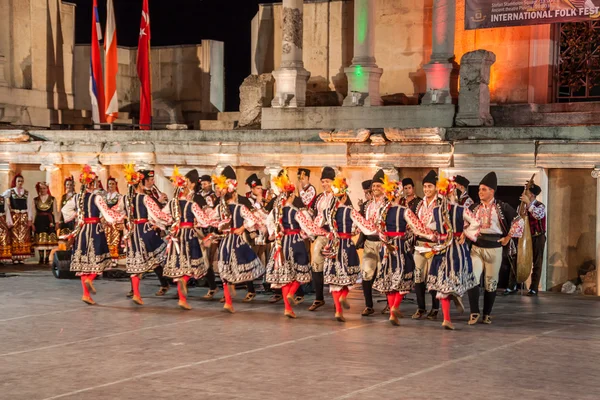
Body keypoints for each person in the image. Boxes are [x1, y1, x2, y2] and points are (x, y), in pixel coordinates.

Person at [373, 173, 436, 326]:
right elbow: (417, 227)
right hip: (400, 246)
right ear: (398, 193)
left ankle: (392, 309)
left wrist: (385, 241)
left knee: (389, 277)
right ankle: (394, 307)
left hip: (387, 247)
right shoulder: (404, 210)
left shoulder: (382, 210)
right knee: (404, 277)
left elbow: (377, 228)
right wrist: (432, 235)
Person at [315, 175, 377, 322]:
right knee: (350, 277)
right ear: (344, 197)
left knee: (334, 281)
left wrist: (328, 233)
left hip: (332, 246)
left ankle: (338, 311)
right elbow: (365, 227)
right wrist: (378, 231)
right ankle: (343, 296)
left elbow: (315, 227)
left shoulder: (326, 212)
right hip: (346, 245)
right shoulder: (350, 211)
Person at [265, 171, 326, 318]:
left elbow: (269, 224)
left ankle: (287, 308)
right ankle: (292, 293)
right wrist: (323, 233)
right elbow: (308, 228)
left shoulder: (276, 211)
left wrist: (273, 235)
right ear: (291, 196)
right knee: (302, 272)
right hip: (295, 242)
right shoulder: (296, 212)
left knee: (286, 277)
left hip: (282, 243)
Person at [61, 165, 124, 305]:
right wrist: (120, 217)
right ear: (92, 183)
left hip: (83, 230)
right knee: (99, 258)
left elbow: (65, 209)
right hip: (95, 229)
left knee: (84, 263)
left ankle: (86, 295)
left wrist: (76, 214)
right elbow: (107, 214)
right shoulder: (97, 197)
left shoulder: (77, 197)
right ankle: (91, 279)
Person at [425, 175, 480, 330]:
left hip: (442, 248)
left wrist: (437, 235)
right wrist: (465, 232)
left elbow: (429, 225)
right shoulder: (461, 209)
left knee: (443, 282)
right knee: (457, 277)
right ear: (453, 193)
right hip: (457, 248)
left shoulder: (435, 210)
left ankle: (447, 318)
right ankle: (455, 296)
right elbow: (477, 221)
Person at [468, 172, 524, 325]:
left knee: (490, 282)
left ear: (492, 191)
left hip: (494, 248)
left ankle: (487, 313)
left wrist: (508, 237)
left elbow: (519, 221)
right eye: (479, 189)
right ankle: (474, 312)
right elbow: (465, 224)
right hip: (477, 247)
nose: (480, 192)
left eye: (484, 189)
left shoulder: (502, 207)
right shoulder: (474, 208)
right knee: (472, 277)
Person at [213, 166, 266, 313]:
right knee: (243, 262)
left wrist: (219, 228)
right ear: (234, 194)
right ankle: (241, 289)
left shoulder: (220, 208)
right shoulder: (240, 207)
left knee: (226, 267)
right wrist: (243, 227)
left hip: (225, 241)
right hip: (236, 240)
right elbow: (254, 220)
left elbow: (211, 221)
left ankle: (229, 299)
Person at [162, 167, 217, 310]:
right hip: (192, 233)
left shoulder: (176, 201)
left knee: (180, 265)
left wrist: (172, 222)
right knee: (197, 263)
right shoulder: (192, 202)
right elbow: (205, 218)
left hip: (177, 234)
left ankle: (185, 293)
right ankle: (203, 286)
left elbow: (162, 215)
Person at [122, 165, 172, 305]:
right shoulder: (145, 198)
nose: (152, 182)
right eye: (149, 179)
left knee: (137, 263)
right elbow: (158, 214)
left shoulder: (126, 198)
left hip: (133, 233)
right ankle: (174, 282)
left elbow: (118, 212)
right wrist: (173, 220)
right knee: (162, 255)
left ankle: (137, 293)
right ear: (141, 181)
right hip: (145, 231)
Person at [505, 183, 546, 296]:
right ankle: (512, 286)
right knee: (516, 259)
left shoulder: (540, 206)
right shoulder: (521, 206)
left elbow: (538, 215)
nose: (523, 193)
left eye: (526, 192)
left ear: (531, 195)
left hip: (538, 236)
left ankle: (533, 288)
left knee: (537, 262)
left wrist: (528, 203)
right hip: (523, 237)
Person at [412, 170, 442, 320]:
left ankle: (435, 308)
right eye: (425, 186)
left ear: (436, 187)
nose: (427, 189)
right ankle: (420, 307)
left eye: (430, 186)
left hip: (433, 245)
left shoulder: (441, 203)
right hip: (419, 244)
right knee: (418, 276)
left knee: (432, 277)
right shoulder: (419, 204)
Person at [139, 169, 171, 296]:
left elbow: (158, 210)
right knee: (141, 257)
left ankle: (165, 283)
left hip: (155, 227)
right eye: (151, 180)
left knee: (156, 258)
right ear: (144, 181)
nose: (153, 182)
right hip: (145, 226)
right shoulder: (143, 194)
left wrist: (162, 201)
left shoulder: (151, 192)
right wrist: (159, 200)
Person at [359, 172, 386, 316]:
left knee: (385, 273)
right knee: (366, 273)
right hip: (370, 242)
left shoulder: (388, 203)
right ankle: (368, 305)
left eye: (378, 185)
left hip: (383, 243)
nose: (375, 188)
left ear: (383, 187)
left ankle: (390, 304)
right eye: (374, 185)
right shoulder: (366, 205)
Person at [198, 173, 220, 300]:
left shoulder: (213, 197)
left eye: (205, 184)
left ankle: (215, 286)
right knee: (205, 261)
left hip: (213, 231)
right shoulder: (198, 196)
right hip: (202, 231)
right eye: (202, 184)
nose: (203, 186)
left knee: (211, 260)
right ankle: (212, 286)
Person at [3, 174, 33, 264]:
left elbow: (29, 206)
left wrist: (30, 219)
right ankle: (14, 256)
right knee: (14, 235)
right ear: (15, 182)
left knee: (24, 236)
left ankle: (22, 257)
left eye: (21, 181)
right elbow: (2, 197)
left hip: (24, 216)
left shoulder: (26, 192)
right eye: (18, 181)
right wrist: (7, 207)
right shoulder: (10, 191)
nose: (20, 183)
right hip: (14, 216)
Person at [32, 182, 58, 264]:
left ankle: (47, 257)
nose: (42, 190)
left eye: (44, 188)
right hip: (39, 220)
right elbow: (33, 212)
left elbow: (55, 211)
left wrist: (56, 222)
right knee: (40, 239)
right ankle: (41, 257)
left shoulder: (52, 199)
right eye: (41, 188)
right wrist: (32, 223)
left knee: (49, 239)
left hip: (49, 220)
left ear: (47, 189)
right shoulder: (35, 200)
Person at [104, 177, 123, 267]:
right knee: (107, 239)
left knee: (115, 239)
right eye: (109, 184)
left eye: (112, 184)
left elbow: (120, 209)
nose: (111, 185)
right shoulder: (105, 196)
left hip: (115, 220)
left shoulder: (119, 196)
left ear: (116, 185)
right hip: (106, 221)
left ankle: (115, 258)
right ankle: (108, 258)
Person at [0, 193, 12, 264]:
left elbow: (7, 211)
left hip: (2, 220)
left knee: (3, 238)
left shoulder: (2, 198)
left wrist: (8, 222)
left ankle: (3, 258)